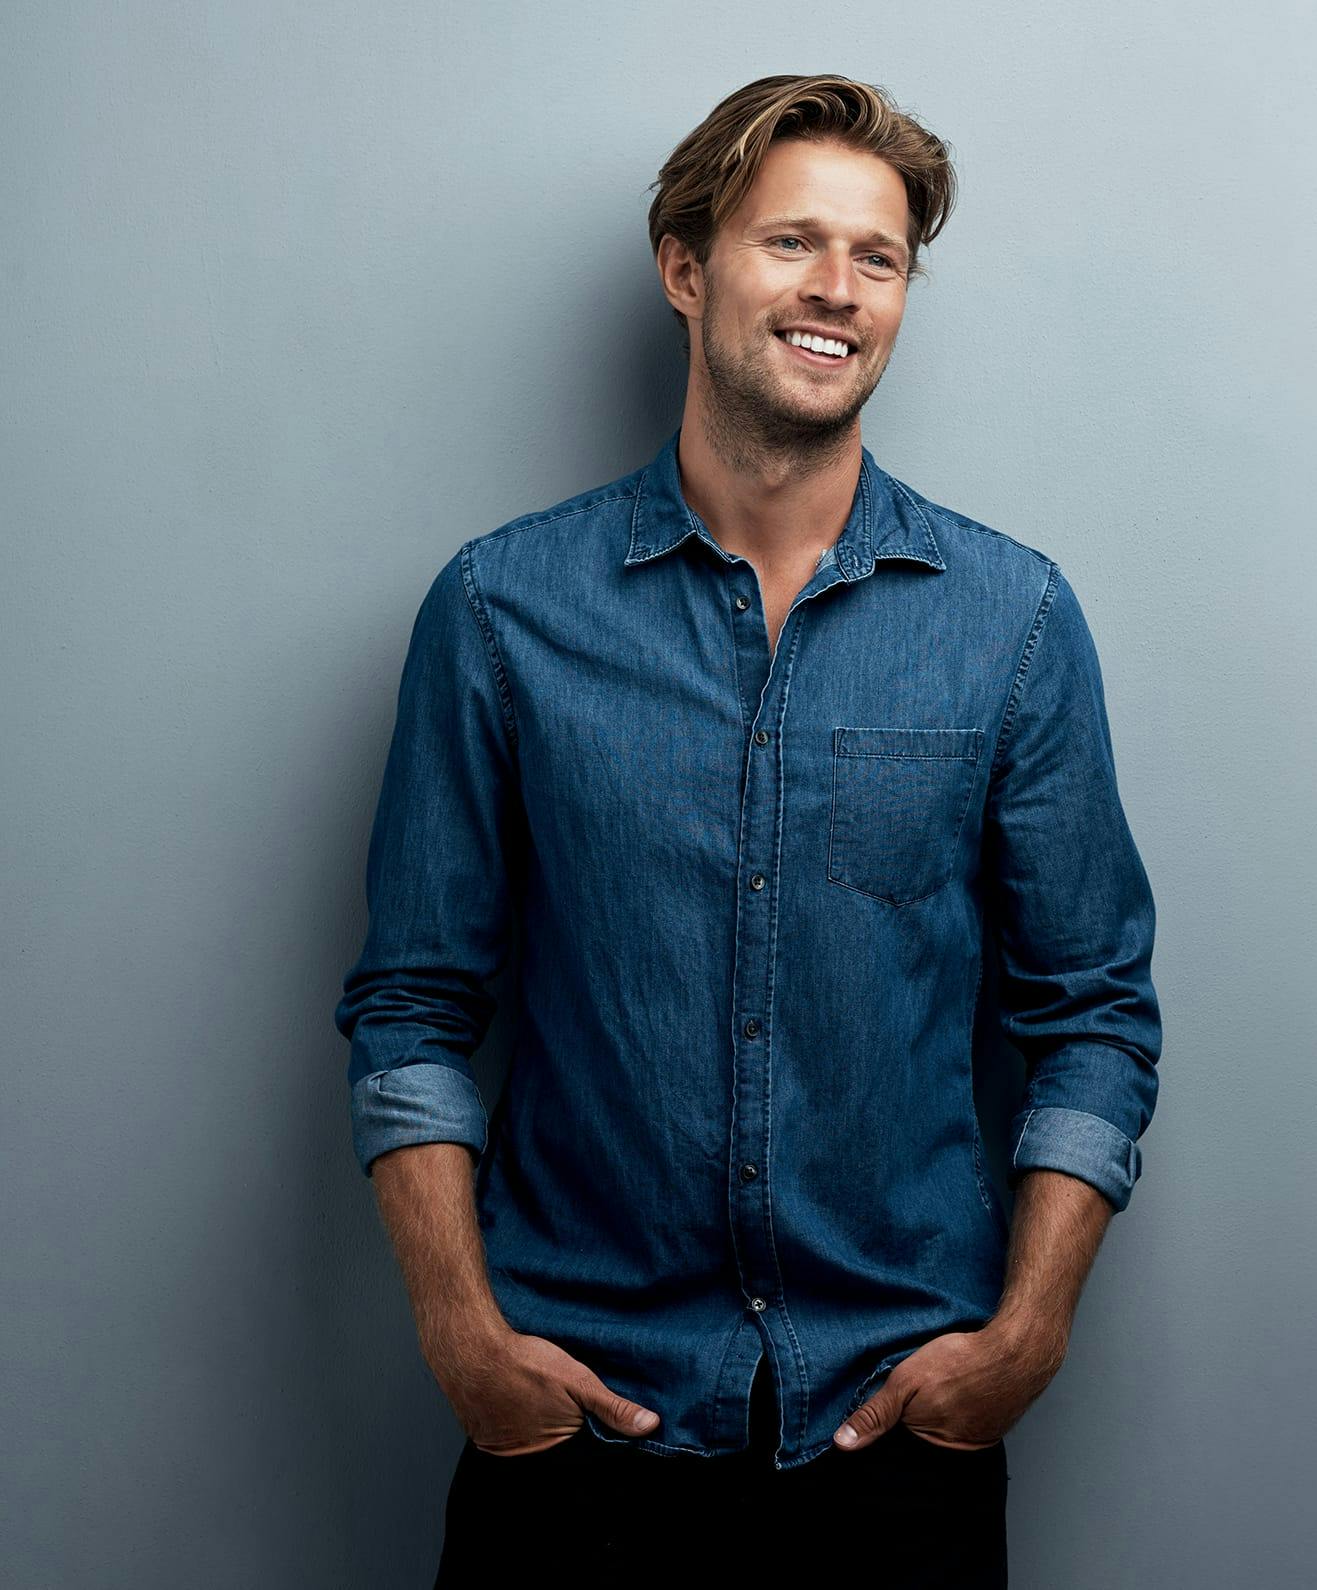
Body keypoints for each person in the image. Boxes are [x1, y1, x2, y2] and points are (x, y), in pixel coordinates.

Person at [334, 72, 1162, 1589]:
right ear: (684, 265)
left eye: (879, 256)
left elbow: (1094, 1013)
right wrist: (462, 1333)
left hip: (890, 1444)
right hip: (575, 1433)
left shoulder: (1013, 622)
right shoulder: (501, 612)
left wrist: (1027, 1332)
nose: (836, 290)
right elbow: (411, 1003)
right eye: (792, 242)